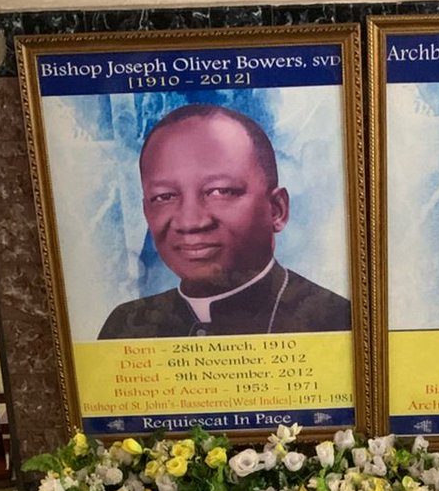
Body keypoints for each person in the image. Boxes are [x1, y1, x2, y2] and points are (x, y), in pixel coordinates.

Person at [99, 103, 351, 338]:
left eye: (220, 191)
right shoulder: (124, 326)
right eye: (164, 196)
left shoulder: (335, 320)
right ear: (146, 211)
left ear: (276, 210)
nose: (190, 222)